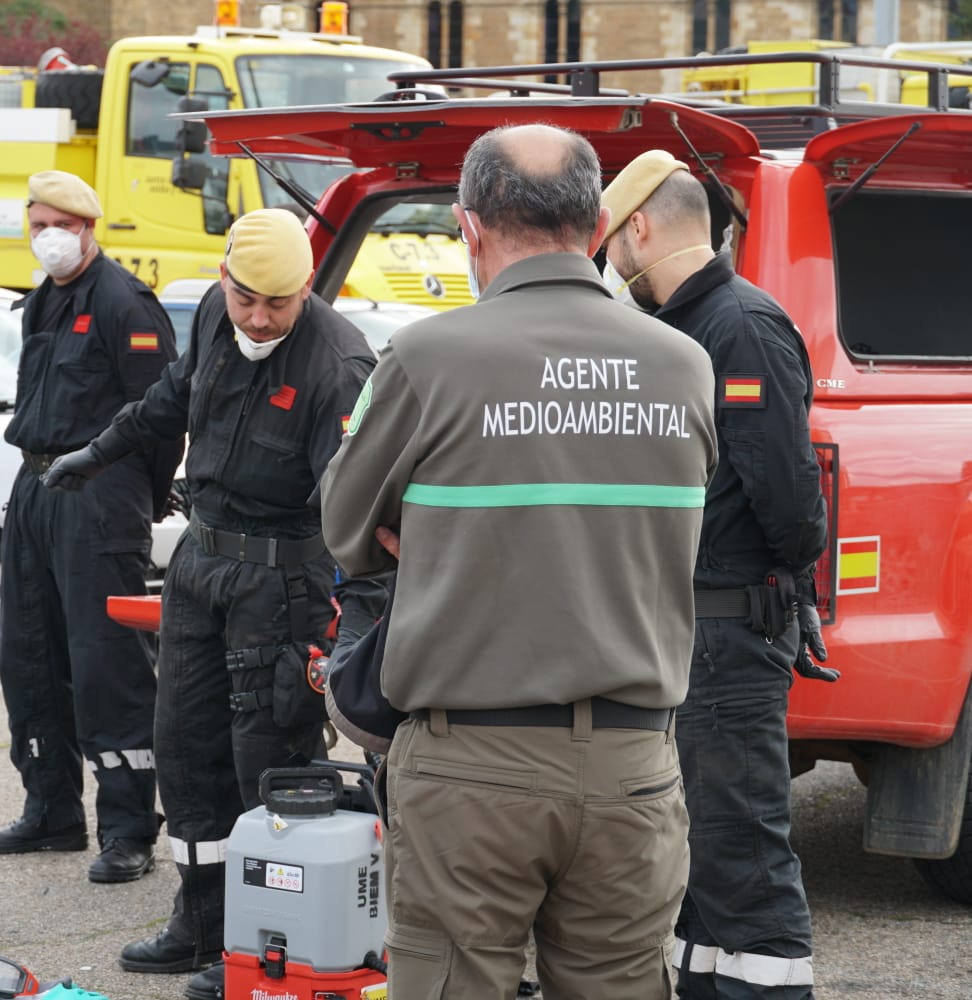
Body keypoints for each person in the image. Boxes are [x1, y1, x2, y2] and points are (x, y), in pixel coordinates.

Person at [319, 124, 719, 1000]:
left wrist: (435, 525)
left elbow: (347, 530)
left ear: (469, 228)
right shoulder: (685, 364)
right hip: (633, 767)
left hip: (471, 766)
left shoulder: (429, 357)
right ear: (598, 224)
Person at [43, 207, 381, 1000]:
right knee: (187, 753)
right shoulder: (214, 322)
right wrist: (93, 456)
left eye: (279, 303)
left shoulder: (339, 364)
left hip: (282, 584)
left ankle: (268, 938)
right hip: (201, 565)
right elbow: (168, 402)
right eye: (246, 300)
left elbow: (357, 507)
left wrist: (359, 627)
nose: (260, 318)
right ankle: (200, 922)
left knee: (264, 763)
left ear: (304, 290)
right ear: (224, 282)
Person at [602, 149, 831, 1000]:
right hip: (688, 630)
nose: (607, 259)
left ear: (640, 227)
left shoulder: (741, 325)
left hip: (730, 633)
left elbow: (791, 506)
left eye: (611, 237)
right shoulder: (678, 328)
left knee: (741, 850)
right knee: (695, 850)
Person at [0, 170, 181, 884]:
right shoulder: (44, 299)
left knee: (108, 667)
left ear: (87, 227)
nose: (47, 237)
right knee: (29, 660)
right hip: (37, 486)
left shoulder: (122, 302)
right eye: (36, 222)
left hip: (99, 496)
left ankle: (129, 828)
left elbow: (162, 417)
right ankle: (51, 811)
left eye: (59, 224)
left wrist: (142, 495)